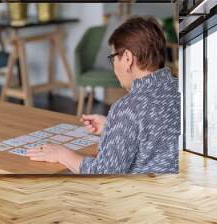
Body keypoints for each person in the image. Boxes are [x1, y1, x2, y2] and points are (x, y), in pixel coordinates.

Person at [26, 17, 180, 174]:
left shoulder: (128, 108)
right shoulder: (180, 88)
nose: (114, 67)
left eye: (113, 58)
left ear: (127, 58)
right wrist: (112, 127)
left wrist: (62, 154)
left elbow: (104, 174)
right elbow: (158, 134)